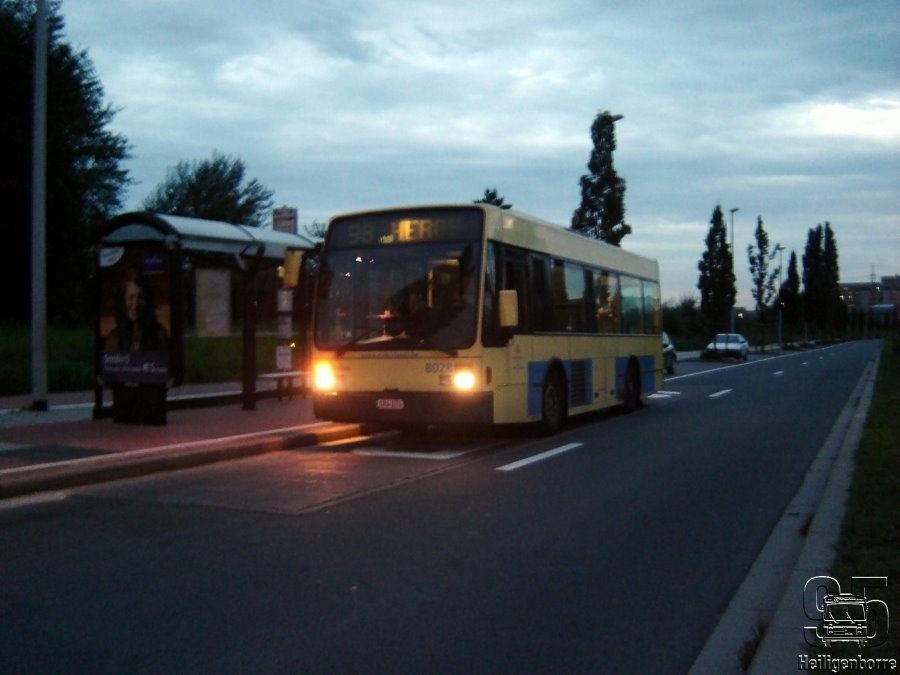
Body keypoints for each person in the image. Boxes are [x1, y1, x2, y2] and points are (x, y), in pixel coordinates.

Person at [104, 268, 168, 352]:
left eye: (140, 297)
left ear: (147, 301)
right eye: (131, 297)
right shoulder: (114, 338)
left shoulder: (159, 335)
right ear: (123, 301)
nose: (135, 304)